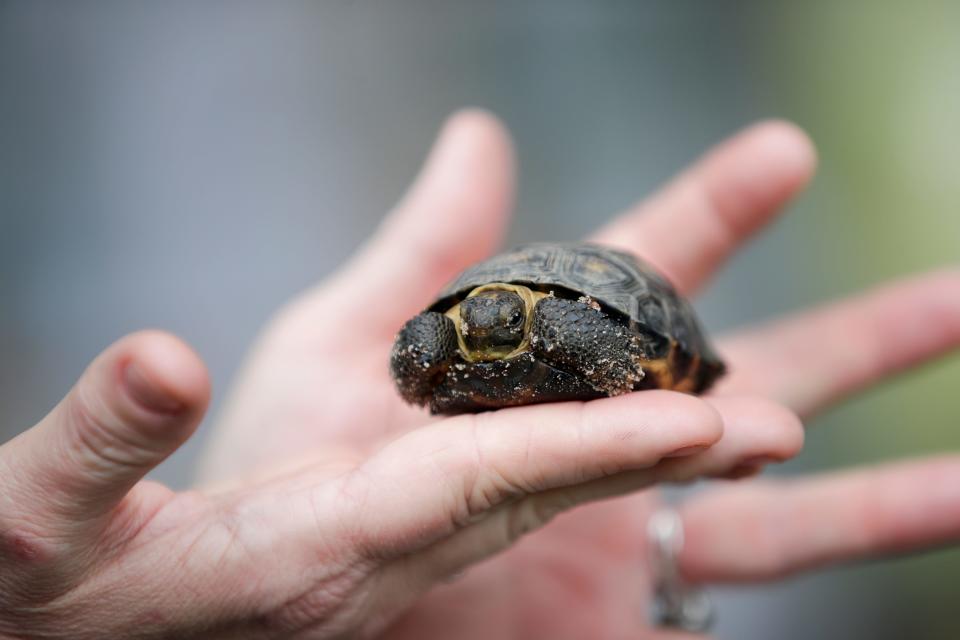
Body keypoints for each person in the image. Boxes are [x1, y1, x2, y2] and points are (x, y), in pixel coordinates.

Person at [1, 111, 957, 640]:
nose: (493, 319)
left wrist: (634, 366)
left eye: (504, 311)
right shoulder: (456, 327)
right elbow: (422, 345)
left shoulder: (561, 316)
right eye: (483, 313)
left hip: (627, 338)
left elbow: (584, 322)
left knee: (632, 368)